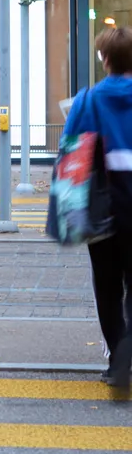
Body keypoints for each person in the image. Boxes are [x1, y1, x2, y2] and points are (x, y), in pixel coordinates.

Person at [61, 26, 132, 386]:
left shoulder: (87, 101)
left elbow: (68, 153)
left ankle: (120, 361)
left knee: (107, 286)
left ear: (104, 59)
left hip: (103, 210)